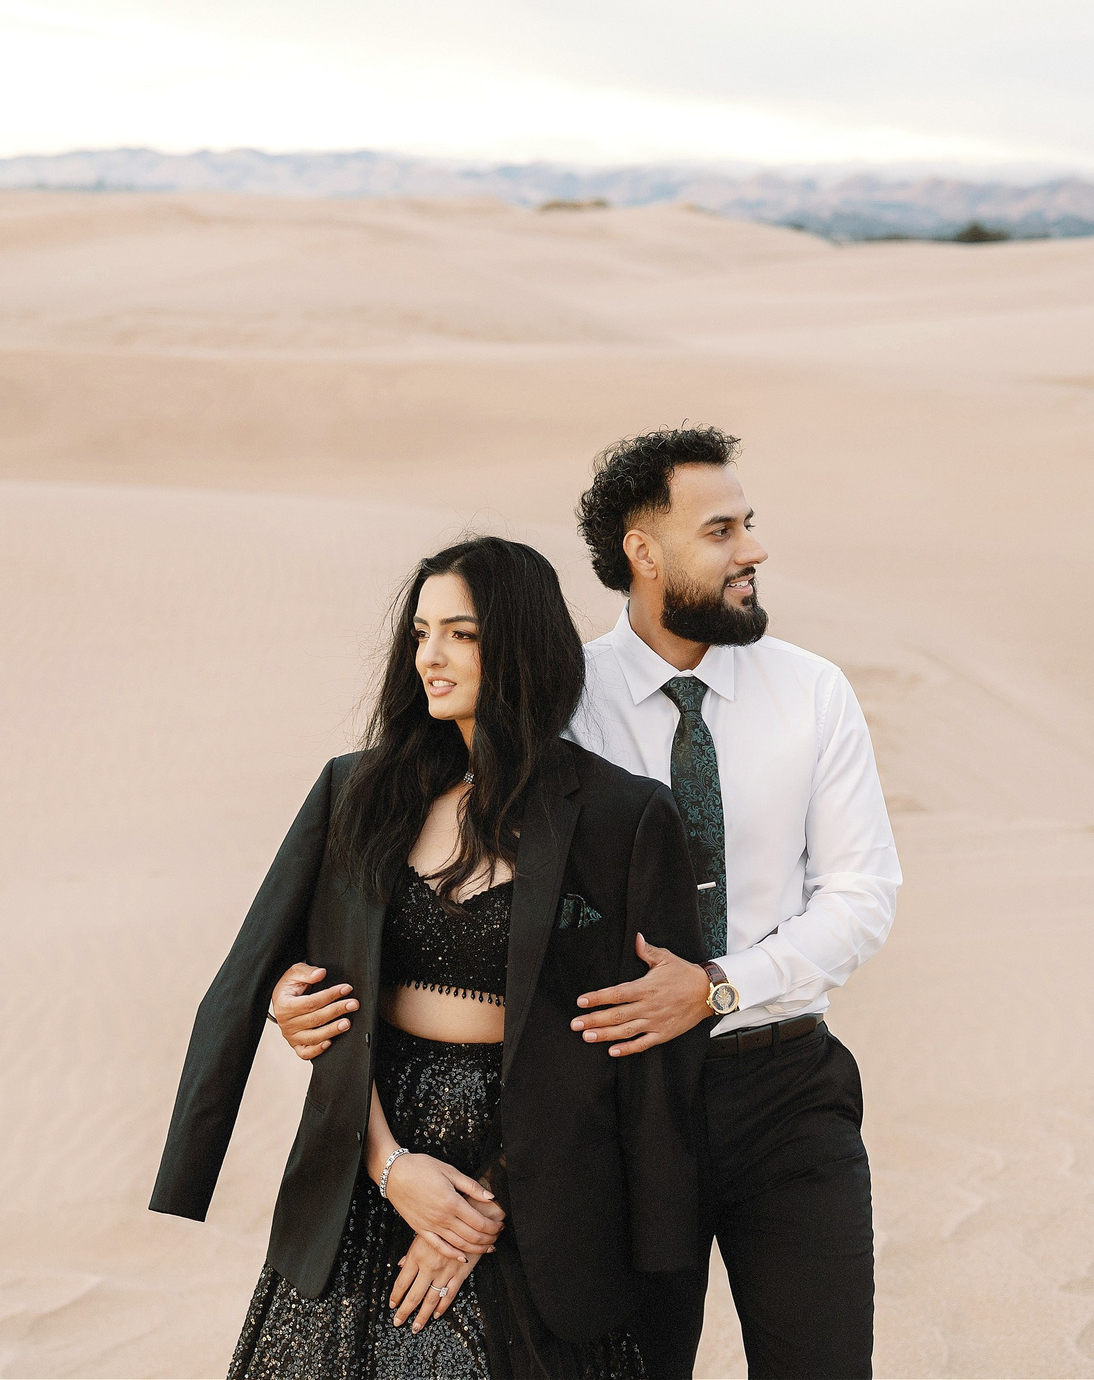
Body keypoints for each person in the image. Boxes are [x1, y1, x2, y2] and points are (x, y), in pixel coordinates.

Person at [272, 430, 902, 1378]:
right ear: (644, 554)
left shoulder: (813, 693)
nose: (753, 551)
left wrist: (719, 988)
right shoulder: (555, 701)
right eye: (722, 530)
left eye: (749, 526)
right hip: (611, 1116)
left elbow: (860, 895)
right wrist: (307, 987)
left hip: (781, 1091)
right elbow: (430, 892)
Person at [152, 536, 714, 1379]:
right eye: (420, 633)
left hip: (547, 1184)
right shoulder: (356, 790)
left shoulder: (623, 816)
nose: (430, 657)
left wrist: (479, 1213)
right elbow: (282, 974)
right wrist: (392, 1167)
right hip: (368, 1160)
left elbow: (638, 1055)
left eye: (460, 633)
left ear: (520, 645)